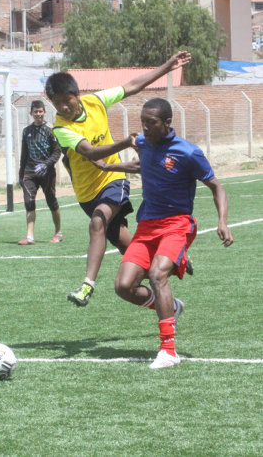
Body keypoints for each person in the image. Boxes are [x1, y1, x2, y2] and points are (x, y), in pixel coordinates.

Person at [94, 97, 234, 369]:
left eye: (151, 122)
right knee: (123, 287)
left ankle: (169, 350)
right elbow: (140, 165)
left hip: (177, 224)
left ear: (168, 123)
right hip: (147, 226)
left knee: (158, 274)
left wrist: (223, 221)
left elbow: (217, 187)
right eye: (143, 122)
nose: (145, 128)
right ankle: (172, 308)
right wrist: (108, 167)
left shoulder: (188, 152)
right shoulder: (144, 145)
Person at [45, 51, 192, 307]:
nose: (64, 108)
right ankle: (169, 303)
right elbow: (89, 152)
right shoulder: (60, 128)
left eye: (67, 100)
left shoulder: (95, 102)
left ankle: (86, 286)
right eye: (57, 104)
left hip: (113, 178)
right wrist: (124, 141)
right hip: (86, 194)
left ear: (76, 94)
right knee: (133, 254)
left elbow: (132, 86)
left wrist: (166, 66)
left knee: (97, 222)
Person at [18, 100, 63, 245]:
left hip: (47, 172)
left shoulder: (51, 130)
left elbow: (57, 152)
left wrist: (47, 164)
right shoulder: (26, 131)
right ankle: (30, 236)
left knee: (51, 201)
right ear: (31, 113)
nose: (38, 114)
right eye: (35, 112)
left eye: (40, 111)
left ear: (44, 112)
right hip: (30, 172)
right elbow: (24, 154)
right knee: (29, 202)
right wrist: (21, 174)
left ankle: (58, 232)